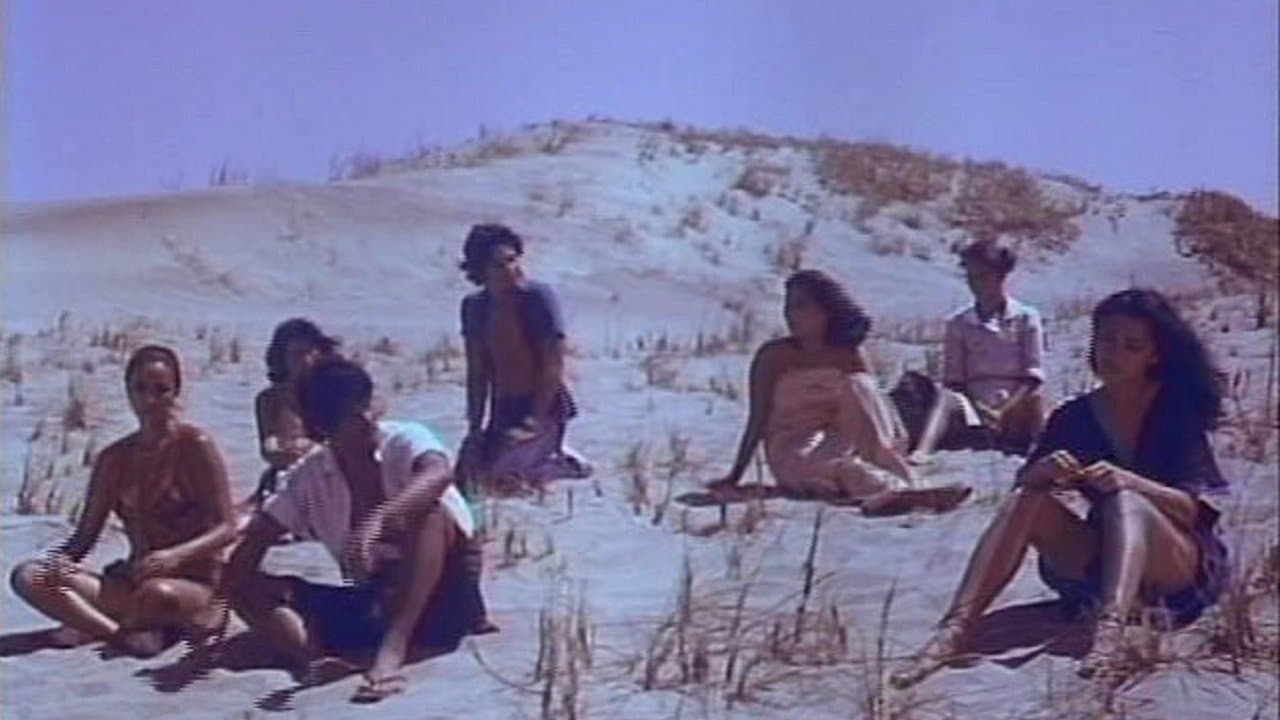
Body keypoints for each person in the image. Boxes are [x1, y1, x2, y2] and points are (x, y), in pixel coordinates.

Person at [892, 288, 1231, 687]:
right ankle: (956, 628)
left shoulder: (1174, 411)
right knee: (1028, 500)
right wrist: (1042, 472)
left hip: (1176, 567)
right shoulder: (1075, 417)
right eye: (1107, 340)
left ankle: (1109, 632)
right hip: (1102, 557)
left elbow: (1195, 509)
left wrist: (1133, 482)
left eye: (1132, 346)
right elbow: (1023, 489)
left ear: (1154, 355)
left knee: (1127, 501)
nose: (1114, 354)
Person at [223, 357, 489, 703]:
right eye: (351, 414)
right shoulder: (311, 478)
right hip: (375, 600)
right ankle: (316, 659)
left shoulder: (403, 439)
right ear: (326, 428)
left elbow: (437, 474)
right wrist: (227, 600)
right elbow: (258, 537)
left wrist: (380, 519)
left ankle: (392, 651)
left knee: (429, 513)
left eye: (365, 405)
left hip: (445, 599)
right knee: (249, 586)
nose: (365, 418)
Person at [10, 345, 236, 657]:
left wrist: (175, 556)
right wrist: (61, 561)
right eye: (140, 389)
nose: (149, 401)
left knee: (157, 593)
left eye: (161, 390)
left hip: (191, 585)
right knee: (29, 576)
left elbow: (226, 527)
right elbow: (85, 536)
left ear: (175, 392)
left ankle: (105, 626)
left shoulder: (195, 446)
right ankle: (119, 634)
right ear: (128, 390)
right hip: (133, 582)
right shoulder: (114, 458)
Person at [706, 270, 971, 515]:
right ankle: (891, 495)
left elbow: (869, 409)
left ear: (826, 311)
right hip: (792, 445)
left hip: (840, 437)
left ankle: (910, 487)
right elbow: (758, 417)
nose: (790, 315)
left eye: (801, 306)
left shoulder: (848, 355)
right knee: (841, 469)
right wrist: (735, 476)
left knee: (858, 386)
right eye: (788, 306)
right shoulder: (774, 356)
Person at [457, 223, 591, 492]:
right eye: (499, 265)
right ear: (482, 270)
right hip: (504, 407)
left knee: (503, 479)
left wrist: (535, 419)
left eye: (513, 260)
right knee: (469, 476)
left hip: (542, 405)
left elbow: (553, 363)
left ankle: (560, 460)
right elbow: (478, 372)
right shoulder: (476, 307)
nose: (511, 269)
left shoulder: (537, 298)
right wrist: (474, 429)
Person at [906, 239, 1048, 458]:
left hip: (1015, 400)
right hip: (974, 401)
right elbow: (954, 380)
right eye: (971, 278)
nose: (976, 284)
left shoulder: (1026, 317)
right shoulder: (959, 323)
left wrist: (1005, 409)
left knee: (1038, 401)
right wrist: (979, 407)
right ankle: (923, 449)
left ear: (1000, 276)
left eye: (982, 276)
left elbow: (1033, 376)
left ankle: (1041, 450)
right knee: (945, 398)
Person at [248, 318, 339, 506]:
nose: (305, 361)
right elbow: (270, 448)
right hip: (285, 481)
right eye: (297, 355)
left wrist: (305, 448)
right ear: (282, 359)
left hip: (333, 479)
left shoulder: (337, 395)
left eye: (310, 352)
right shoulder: (270, 399)